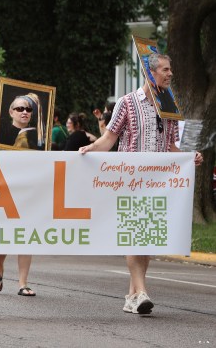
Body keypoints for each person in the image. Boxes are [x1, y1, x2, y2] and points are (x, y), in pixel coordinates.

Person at [79, 53, 203, 315]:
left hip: (158, 182)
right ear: (151, 73)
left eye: (171, 70)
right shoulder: (126, 102)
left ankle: (132, 296)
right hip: (130, 180)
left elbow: (170, 146)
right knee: (135, 235)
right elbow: (109, 139)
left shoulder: (170, 105)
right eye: (166, 70)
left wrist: (188, 158)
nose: (171, 74)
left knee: (146, 240)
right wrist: (90, 148)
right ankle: (143, 292)